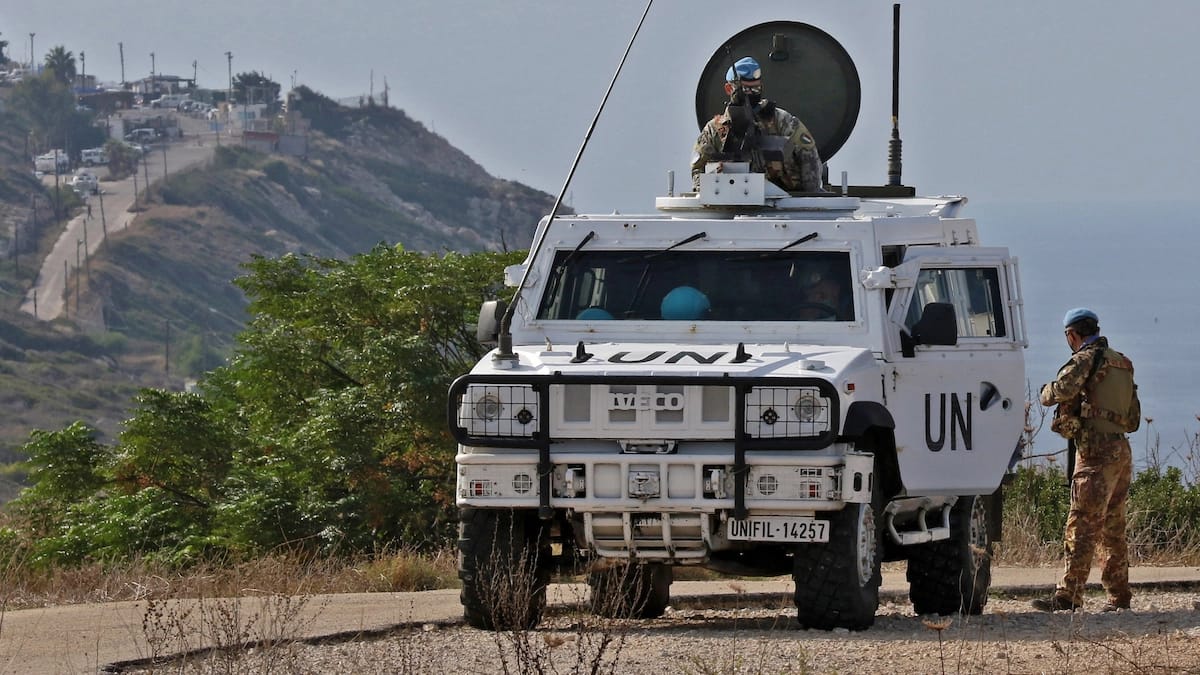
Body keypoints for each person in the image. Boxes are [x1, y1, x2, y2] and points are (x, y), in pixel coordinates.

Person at [1032, 308, 1140, 613]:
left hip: (1095, 453)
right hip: (1121, 450)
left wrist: (1045, 392)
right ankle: (1119, 596)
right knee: (1112, 528)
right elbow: (1133, 420)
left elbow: (1060, 391)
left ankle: (1069, 596)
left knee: (1081, 524)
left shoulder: (1084, 359)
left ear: (1072, 335)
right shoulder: (1122, 362)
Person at [691, 56, 823, 193]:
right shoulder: (714, 130)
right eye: (745, 90)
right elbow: (698, 170)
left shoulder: (783, 121)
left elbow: (809, 158)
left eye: (756, 89)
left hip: (783, 200)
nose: (751, 94)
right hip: (731, 201)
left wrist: (808, 198)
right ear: (729, 89)